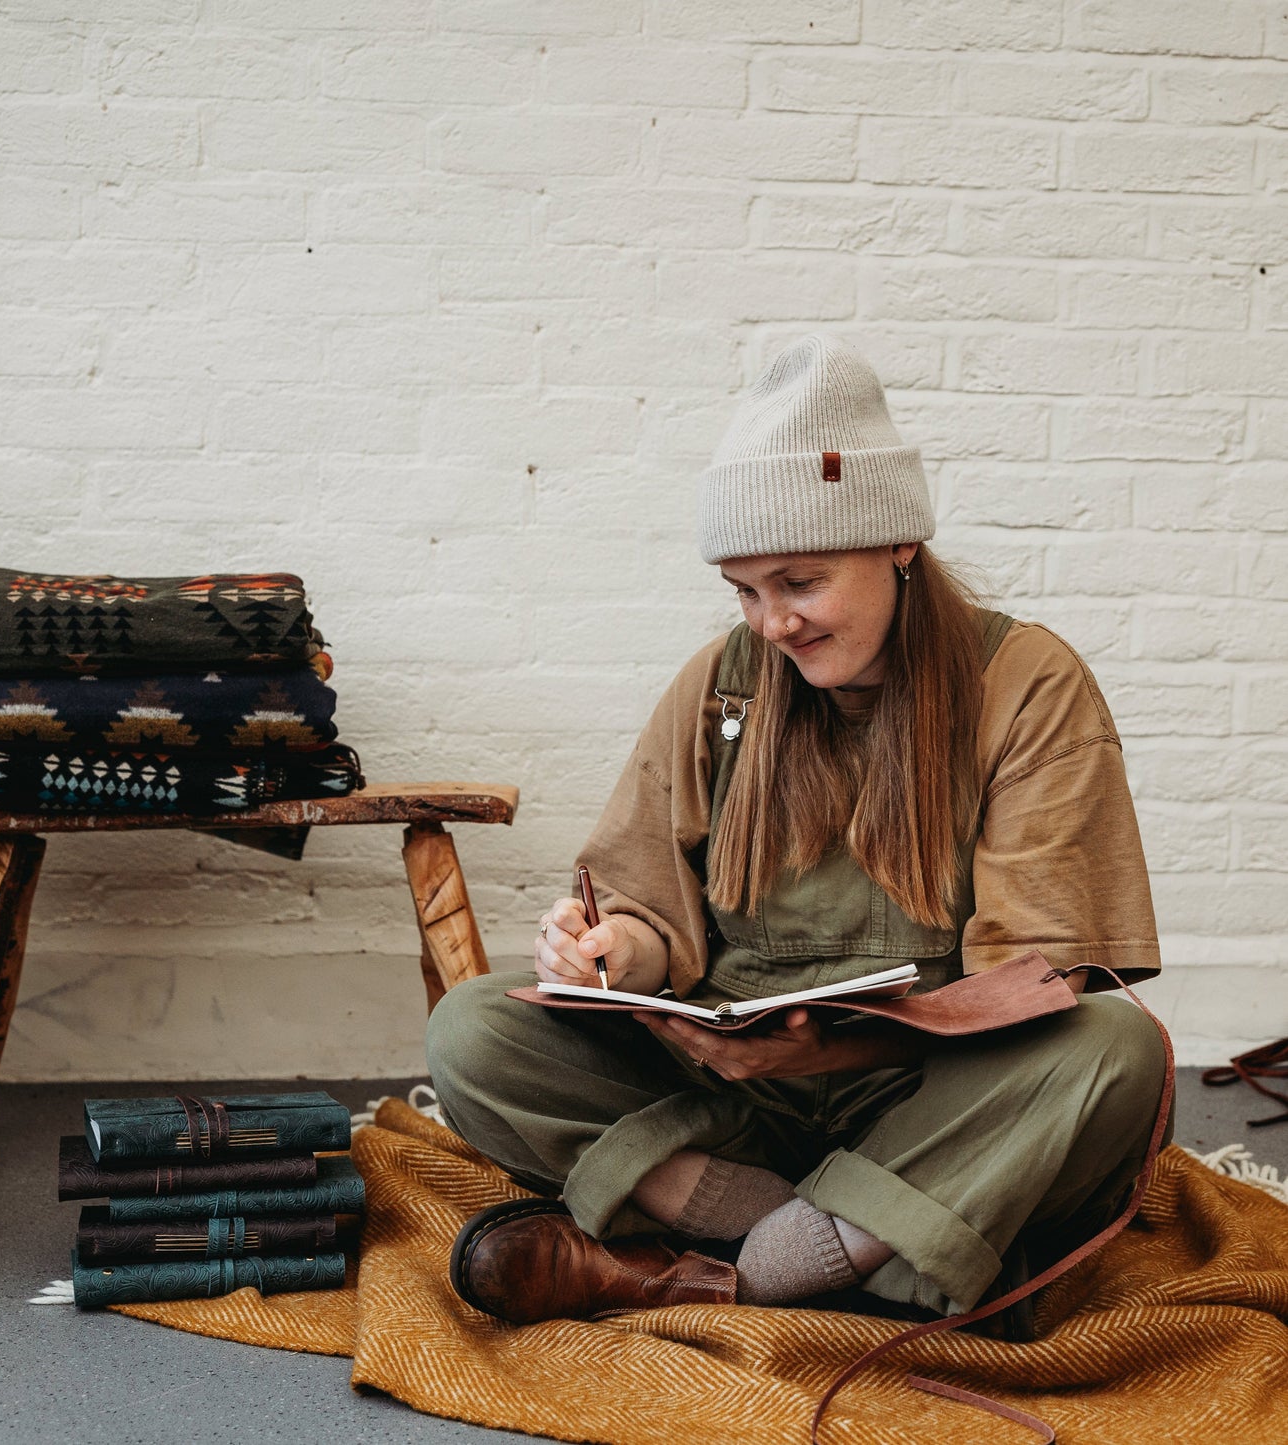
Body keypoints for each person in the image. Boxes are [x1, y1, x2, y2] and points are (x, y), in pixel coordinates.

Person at [426, 334, 1168, 1329]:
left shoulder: (1025, 685)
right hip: (735, 1101)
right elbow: (647, 908)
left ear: (898, 542)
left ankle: (741, 1269)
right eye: (744, 589)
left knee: (1116, 1049)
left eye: (799, 581)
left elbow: (1039, 979)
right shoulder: (721, 683)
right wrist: (610, 953)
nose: (771, 621)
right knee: (471, 1029)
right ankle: (856, 1242)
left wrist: (832, 1056)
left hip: (927, 1097)